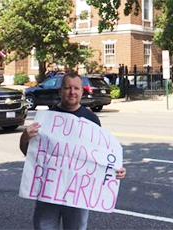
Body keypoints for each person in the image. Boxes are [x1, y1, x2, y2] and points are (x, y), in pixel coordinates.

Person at [20, 72, 126, 230]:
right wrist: (25, 136)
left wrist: (116, 170)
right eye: (67, 88)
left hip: (78, 196)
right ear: (60, 91)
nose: (72, 92)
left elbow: (99, 157)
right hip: (49, 192)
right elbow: (30, 154)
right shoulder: (47, 119)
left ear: (82, 92)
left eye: (76, 88)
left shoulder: (91, 120)